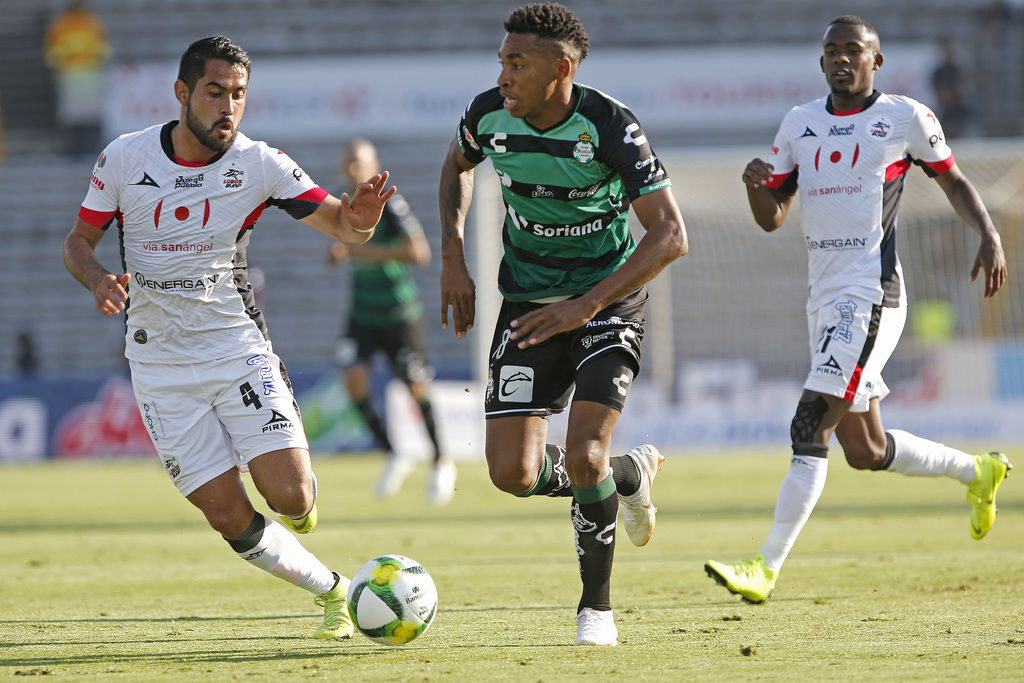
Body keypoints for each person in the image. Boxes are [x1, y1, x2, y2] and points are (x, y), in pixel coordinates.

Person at [62, 36, 396, 640]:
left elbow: (344, 226)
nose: (228, 107)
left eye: (239, 94)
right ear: (182, 92)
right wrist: (97, 279)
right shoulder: (124, 158)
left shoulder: (259, 164)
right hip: (159, 364)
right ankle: (332, 590)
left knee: (291, 499)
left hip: (236, 349)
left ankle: (296, 498)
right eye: (215, 92)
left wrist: (363, 221)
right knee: (224, 513)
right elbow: (78, 242)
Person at [705, 16, 1010, 605]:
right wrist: (755, 187)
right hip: (823, 298)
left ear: (877, 60)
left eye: (853, 49)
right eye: (831, 50)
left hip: (871, 295)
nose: (841, 59)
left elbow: (953, 182)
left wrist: (989, 233)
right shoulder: (800, 123)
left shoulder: (905, 117)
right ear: (821, 61)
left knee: (808, 423)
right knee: (865, 451)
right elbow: (772, 217)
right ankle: (978, 472)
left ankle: (765, 566)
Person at [438, 3, 687, 646]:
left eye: (517, 63)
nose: (504, 76)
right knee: (510, 474)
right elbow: (456, 166)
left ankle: (595, 613)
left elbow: (670, 235)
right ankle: (626, 476)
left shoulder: (609, 125)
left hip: (606, 301)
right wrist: (453, 257)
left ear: (561, 69)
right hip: (528, 305)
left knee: (583, 453)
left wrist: (588, 304)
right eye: (502, 61)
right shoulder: (487, 115)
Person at [328, 138, 454, 505]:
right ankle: (394, 453)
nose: (353, 169)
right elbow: (342, 247)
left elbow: (419, 252)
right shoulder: (342, 204)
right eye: (349, 162)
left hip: (399, 313)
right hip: (361, 313)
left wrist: (361, 253)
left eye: (360, 162)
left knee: (415, 388)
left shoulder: (391, 204)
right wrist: (339, 254)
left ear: (374, 165)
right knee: (353, 381)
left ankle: (441, 461)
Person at [44, 0, 111, 158]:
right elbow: (104, 49)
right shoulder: (92, 22)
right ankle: (89, 147)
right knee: (89, 112)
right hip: (89, 72)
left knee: (72, 114)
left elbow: (52, 52)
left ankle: (75, 149)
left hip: (70, 72)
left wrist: (60, 67)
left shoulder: (60, 25)